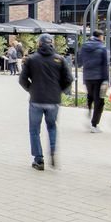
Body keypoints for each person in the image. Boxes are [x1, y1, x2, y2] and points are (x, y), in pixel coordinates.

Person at [19, 33, 72, 171]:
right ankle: (53, 150)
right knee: (52, 127)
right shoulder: (59, 59)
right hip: (53, 100)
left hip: (36, 99)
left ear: (39, 44)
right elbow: (69, 79)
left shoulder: (31, 59)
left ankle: (38, 159)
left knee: (34, 130)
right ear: (52, 43)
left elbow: (22, 79)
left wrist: (31, 89)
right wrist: (59, 90)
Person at [76, 30, 110, 133]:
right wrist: (106, 80)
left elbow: (79, 62)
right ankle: (94, 124)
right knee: (99, 101)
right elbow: (105, 65)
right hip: (99, 77)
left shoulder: (84, 46)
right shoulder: (102, 48)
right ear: (100, 37)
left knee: (90, 96)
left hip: (87, 77)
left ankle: (89, 112)